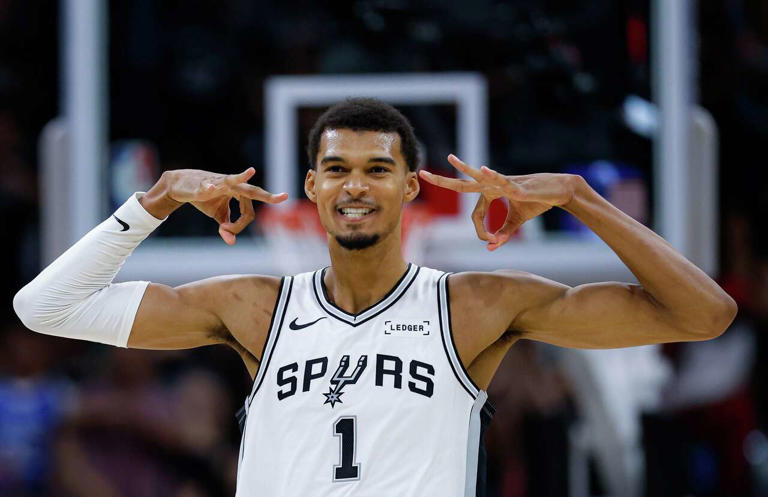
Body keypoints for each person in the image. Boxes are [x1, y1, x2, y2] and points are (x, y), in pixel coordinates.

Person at [13, 98, 737, 497]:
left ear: (411, 188)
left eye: (377, 168)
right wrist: (157, 200)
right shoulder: (254, 307)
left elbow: (703, 315)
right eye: (336, 168)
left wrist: (581, 199)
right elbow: (45, 308)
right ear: (312, 188)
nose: (355, 184)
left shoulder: (473, 307)